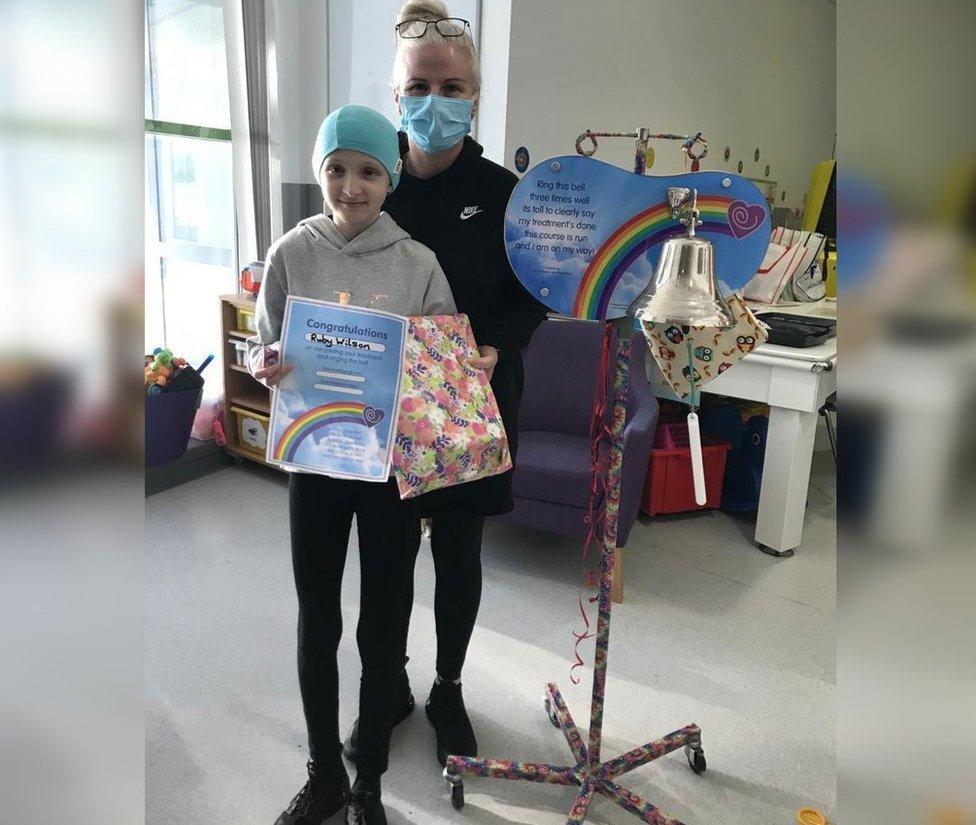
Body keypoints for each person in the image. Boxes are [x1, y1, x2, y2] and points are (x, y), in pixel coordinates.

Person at [341, 0, 548, 769]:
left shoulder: (507, 194)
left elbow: (537, 293)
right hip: (383, 415)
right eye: (421, 86)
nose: (437, 101)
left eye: (453, 87)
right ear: (397, 96)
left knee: (460, 555)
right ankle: (386, 687)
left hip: (477, 408)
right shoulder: (370, 185)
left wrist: (501, 343)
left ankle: (449, 686)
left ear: (474, 96)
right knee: (387, 560)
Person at [248, 104, 456, 825]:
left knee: (383, 623)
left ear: (390, 178)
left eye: (368, 170)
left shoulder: (419, 264)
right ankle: (324, 775)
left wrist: (452, 363)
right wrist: (266, 361)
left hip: (389, 473)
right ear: (320, 172)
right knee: (317, 619)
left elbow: (442, 369)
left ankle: (368, 777)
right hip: (315, 464)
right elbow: (264, 344)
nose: (351, 185)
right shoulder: (291, 253)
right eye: (336, 168)